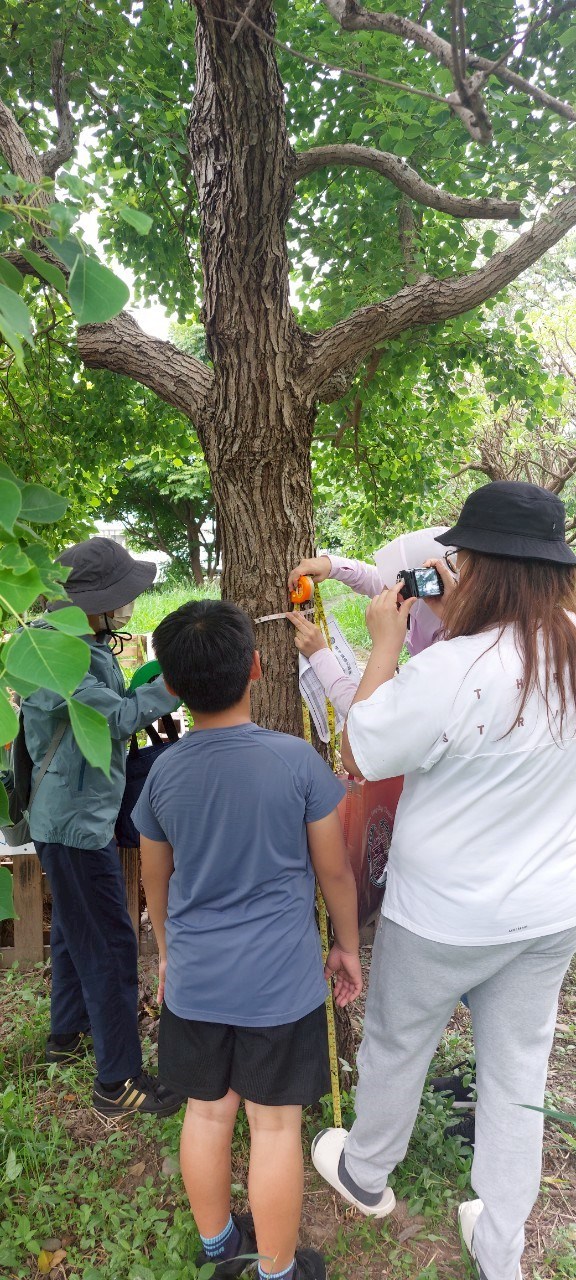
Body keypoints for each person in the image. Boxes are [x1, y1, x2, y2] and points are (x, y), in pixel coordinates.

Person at [310, 481, 576, 1280]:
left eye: (458, 558)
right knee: (517, 1073)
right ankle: (500, 1245)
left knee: (396, 1043)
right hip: (547, 912)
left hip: (442, 915)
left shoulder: (456, 668)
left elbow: (363, 749)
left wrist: (384, 639)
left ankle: (366, 1171)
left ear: (483, 569)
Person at [132, 599, 362, 1280]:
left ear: (170, 686)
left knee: (205, 1116)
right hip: (280, 984)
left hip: (197, 980)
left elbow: (154, 880)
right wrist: (346, 945)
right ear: (257, 668)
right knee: (274, 1125)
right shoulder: (295, 763)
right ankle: (277, 1271)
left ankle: (216, 1247)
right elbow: (335, 871)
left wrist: (171, 954)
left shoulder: (163, 773)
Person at [23, 537, 183, 1119]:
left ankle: (65, 1035)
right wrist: (173, 684)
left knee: (73, 927)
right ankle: (118, 1080)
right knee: (112, 945)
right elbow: (112, 718)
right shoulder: (52, 652)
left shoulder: (80, 644)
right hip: (71, 823)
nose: (125, 607)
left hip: (70, 816)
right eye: (120, 598)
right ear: (91, 602)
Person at [287, 527, 450, 718]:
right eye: (397, 579)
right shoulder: (441, 603)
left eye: (401, 584)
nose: (388, 591)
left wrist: (320, 654)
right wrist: (330, 565)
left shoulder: (441, 662)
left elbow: (367, 716)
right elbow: (373, 578)